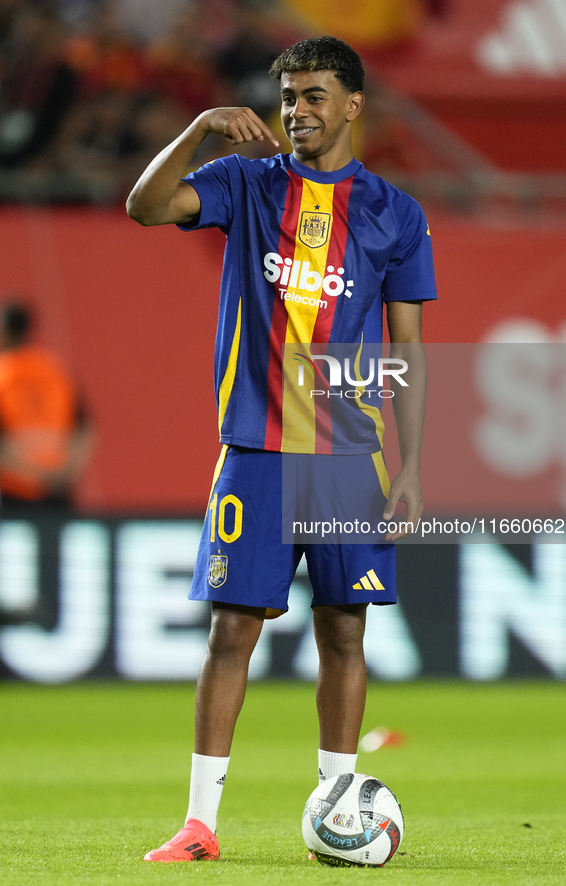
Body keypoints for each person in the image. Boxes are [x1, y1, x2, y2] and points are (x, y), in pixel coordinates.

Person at [127, 35, 437, 863]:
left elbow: (406, 350)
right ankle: (199, 824)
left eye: (312, 95)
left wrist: (410, 468)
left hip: (348, 460)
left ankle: (337, 803)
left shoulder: (395, 214)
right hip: (256, 452)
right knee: (233, 632)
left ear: (351, 105)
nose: (296, 110)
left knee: (344, 632)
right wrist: (198, 127)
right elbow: (145, 208)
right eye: (288, 97)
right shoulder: (245, 184)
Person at [0, 300, 94, 513]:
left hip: (14, 495)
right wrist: (65, 475)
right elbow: (86, 431)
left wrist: (35, 477)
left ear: (1, 331)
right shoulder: (54, 371)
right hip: (58, 493)